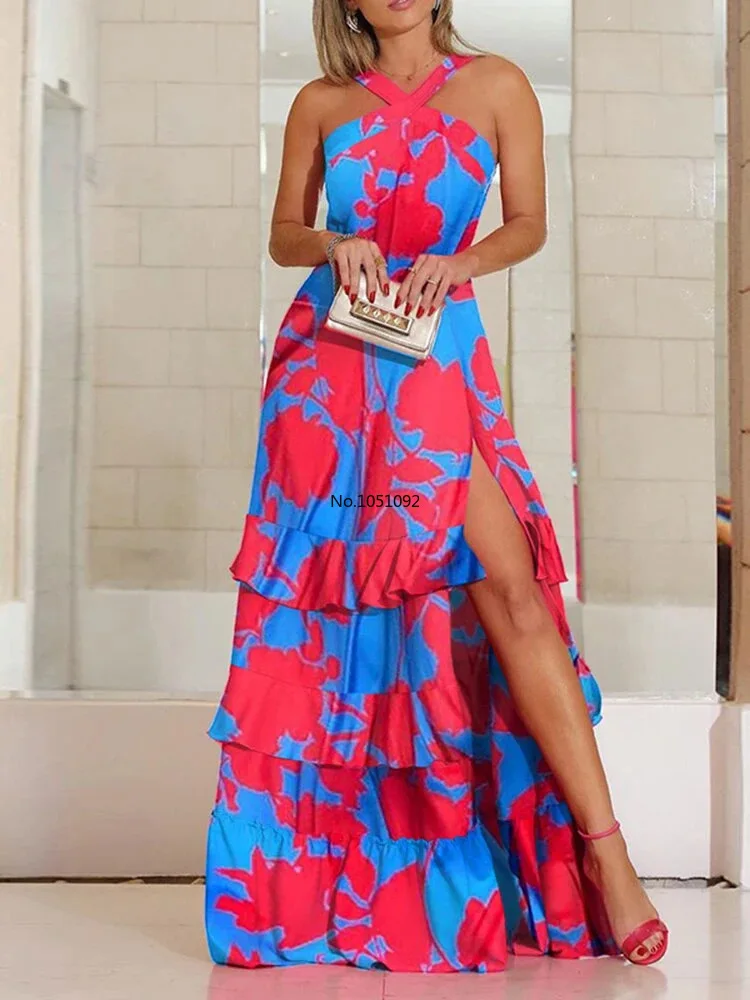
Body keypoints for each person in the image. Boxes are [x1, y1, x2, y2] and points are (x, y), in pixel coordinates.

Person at [204, 0, 668, 972]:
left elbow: (529, 222)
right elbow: (283, 233)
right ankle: (346, 881)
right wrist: (332, 243)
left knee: (513, 595)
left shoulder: (496, 85)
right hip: (328, 375)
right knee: (344, 623)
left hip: (438, 359)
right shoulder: (320, 101)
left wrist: (463, 261)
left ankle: (607, 853)